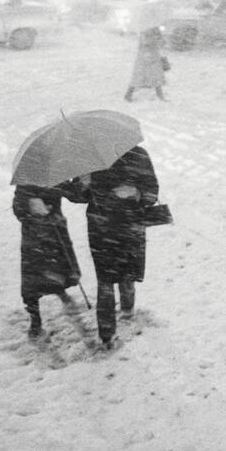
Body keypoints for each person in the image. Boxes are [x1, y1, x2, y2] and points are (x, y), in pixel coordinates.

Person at [77, 145, 159, 348]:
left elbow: (152, 192)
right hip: (101, 229)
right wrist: (82, 184)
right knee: (105, 281)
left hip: (131, 226)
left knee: (128, 273)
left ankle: (128, 309)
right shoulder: (89, 160)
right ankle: (107, 335)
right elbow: (76, 197)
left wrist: (136, 192)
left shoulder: (138, 155)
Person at [11, 182, 84, 339]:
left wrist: (81, 183)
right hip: (36, 238)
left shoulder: (54, 175)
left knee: (57, 271)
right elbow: (18, 209)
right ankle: (35, 319)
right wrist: (32, 208)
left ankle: (59, 288)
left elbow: (75, 195)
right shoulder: (27, 181)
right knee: (33, 280)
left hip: (54, 233)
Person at [125, 26, 167, 101]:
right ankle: (128, 95)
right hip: (144, 57)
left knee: (156, 75)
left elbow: (162, 43)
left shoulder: (155, 29)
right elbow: (145, 42)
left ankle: (160, 96)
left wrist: (160, 38)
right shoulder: (145, 29)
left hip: (153, 56)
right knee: (138, 77)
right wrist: (156, 38)